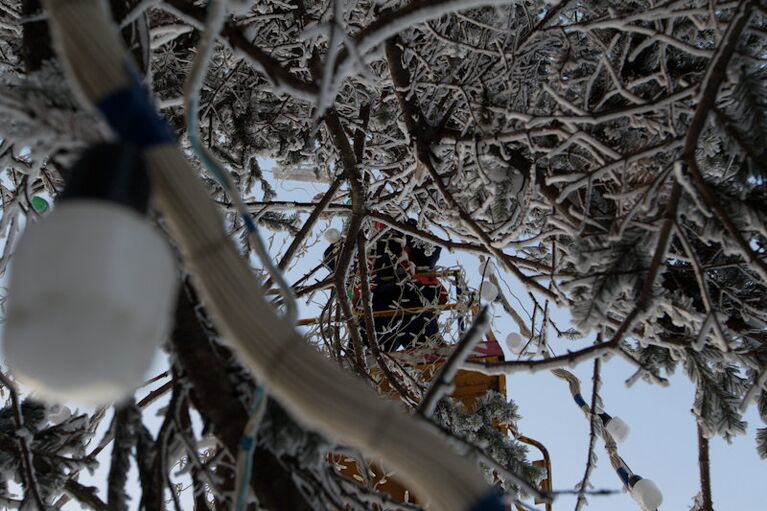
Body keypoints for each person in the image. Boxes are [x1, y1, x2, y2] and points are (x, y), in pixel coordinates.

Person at [324, 220, 447, 351]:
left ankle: (431, 350)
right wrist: (342, 245)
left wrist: (412, 232)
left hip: (411, 295)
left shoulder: (404, 237)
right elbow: (334, 263)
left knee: (418, 324)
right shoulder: (361, 245)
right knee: (369, 336)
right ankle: (361, 358)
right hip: (374, 300)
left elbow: (430, 253)